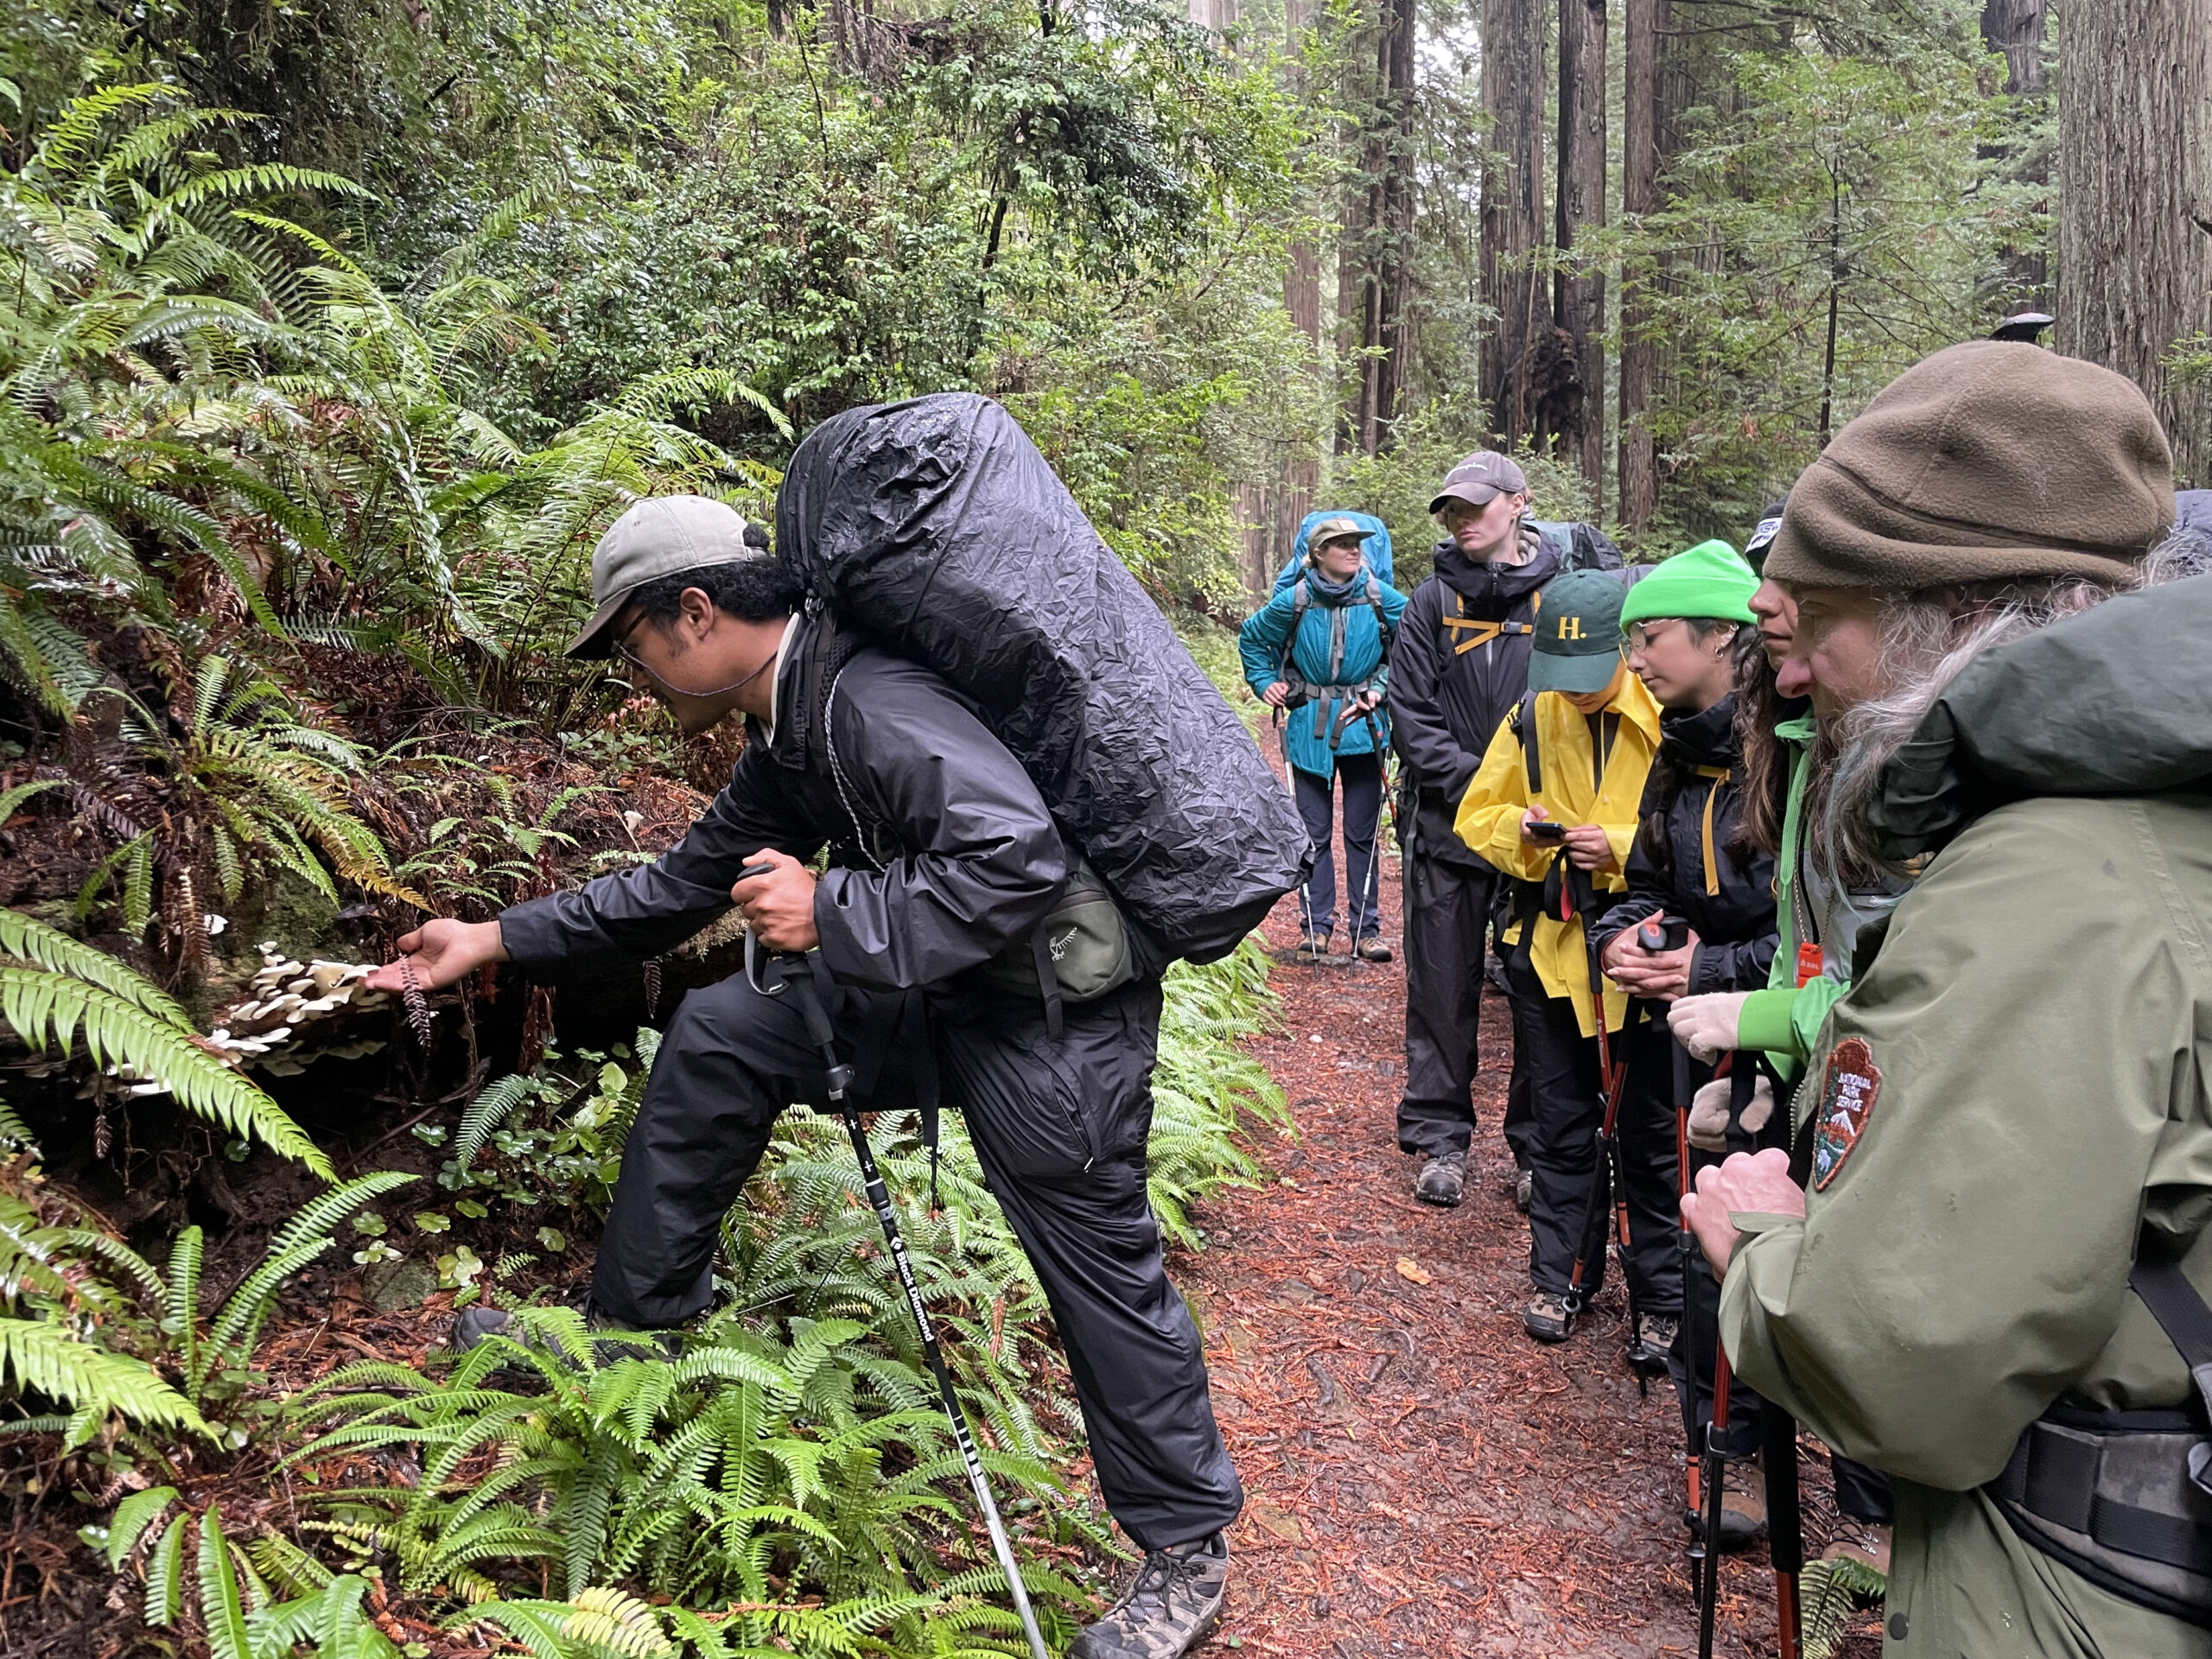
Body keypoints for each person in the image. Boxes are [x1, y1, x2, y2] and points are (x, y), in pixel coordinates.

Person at [368, 497, 1242, 1659]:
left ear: (695, 613)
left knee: (1095, 1265)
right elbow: (681, 886)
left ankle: (1186, 1550)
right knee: (727, 1033)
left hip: (1054, 1020)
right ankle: (630, 1339)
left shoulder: (868, 699)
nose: (640, 682)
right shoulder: (789, 725)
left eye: (634, 650)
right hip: (945, 988)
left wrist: (831, 909)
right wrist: (494, 939)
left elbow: (1016, 857)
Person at [1678, 340, 2212, 1656]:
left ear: (1946, 615)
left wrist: (1763, 1247)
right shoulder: (2167, 825)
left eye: (1824, 625)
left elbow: (1899, 1363)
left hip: (2086, 1592)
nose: (1794, 682)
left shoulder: (2046, 888)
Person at [1580, 540, 1778, 1541]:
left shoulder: (1791, 755)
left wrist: (1704, 971)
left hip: (1782, 1049)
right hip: (1693, 1037)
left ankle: (1871, 1507)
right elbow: (1647, 881)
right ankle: (1728, 1452)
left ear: (1720, 635)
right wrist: (1629, 940)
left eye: (1649, 637)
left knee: (1775, 1240)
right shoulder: (1679, 748)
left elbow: (1823, 944)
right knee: (1705, 1233)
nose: (1638, 660)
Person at [1454, 569, 1675, 1354]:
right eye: (1564, 677)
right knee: (1561, 1128)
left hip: (1645, 970)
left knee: (1651, 1137)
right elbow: (1476, 815)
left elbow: (1701, 840)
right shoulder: (1535, 713)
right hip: (1550, 957)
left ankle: (1663, 1300)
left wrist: (1617, 849)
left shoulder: (1667, 713)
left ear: (1630, 649)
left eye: (1592, 676)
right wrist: (1528, 831)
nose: (1577, 693)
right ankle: (1562, 1273)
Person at [1386, 452, 1560, 1208]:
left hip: (1537, 831)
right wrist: (1481, 790)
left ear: (1519, 504)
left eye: (1474, 507)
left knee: (1538, 994)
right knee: (1441, 986)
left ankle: (1539, 1148)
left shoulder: (1563, 598)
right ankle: (1440, 1140)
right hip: (1447, 826)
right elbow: (1411, 716)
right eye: (1452, 512)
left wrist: (1529, 801)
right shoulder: (1428, 602)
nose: (1461, 522)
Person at [1238, 515, 1409, 963]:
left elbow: (1414, 642)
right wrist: (1263, 682)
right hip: (1309, 725)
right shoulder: (1295, 599)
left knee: (1362, 833)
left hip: (1365, 725)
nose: (1354, 550)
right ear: (1318, 555)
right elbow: (1253, 639)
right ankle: (1316, 927)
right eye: (1342, 544)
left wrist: (1382, 686)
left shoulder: (1377, 596)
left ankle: (1366, 931)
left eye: (1357, 543)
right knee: (1313, 834)